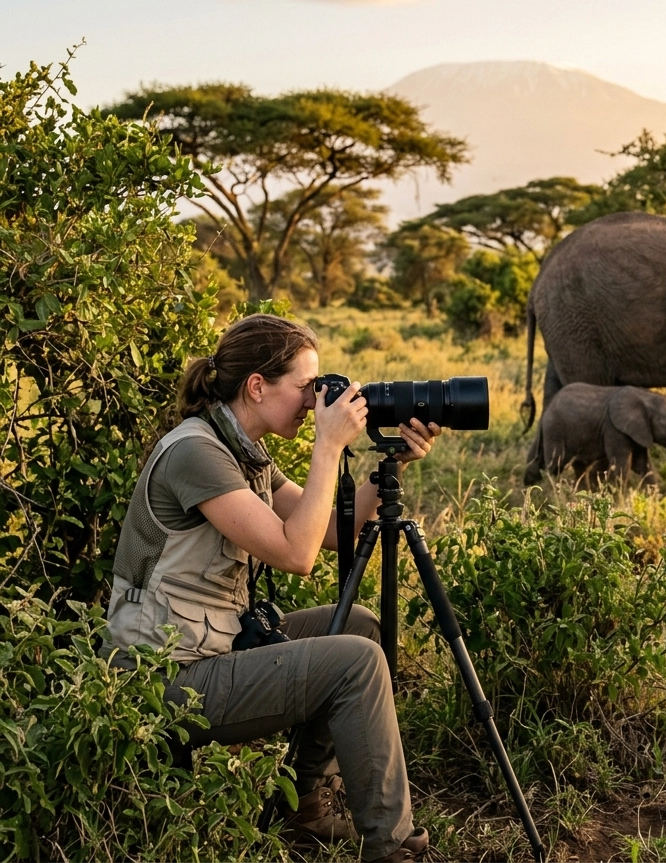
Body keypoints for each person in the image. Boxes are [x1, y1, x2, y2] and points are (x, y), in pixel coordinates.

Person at [105, 313, 440, 861]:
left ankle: (305, 809)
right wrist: (327, 447)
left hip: (211, 648)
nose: (314, 401)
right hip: (161, 678)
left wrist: (391, 465)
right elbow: (296, 554)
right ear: (257, 386)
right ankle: (391, 845)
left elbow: (330, 534)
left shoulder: (241, 451)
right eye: (306, 387)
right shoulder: (195, 453)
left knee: (360, 628)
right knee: (354, 662)